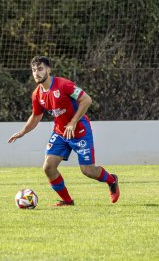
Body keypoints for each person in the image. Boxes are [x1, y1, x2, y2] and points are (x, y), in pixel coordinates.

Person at [8, 56, 120, 206]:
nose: (36, 73)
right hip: (60, 133)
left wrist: (73, 123)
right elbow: (36, 116)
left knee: (88, 170)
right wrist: (22, 132)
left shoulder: (63, 85)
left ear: (48, 69)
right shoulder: (37, 94)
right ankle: (67, 201)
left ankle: (112, 180)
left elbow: (86, 100)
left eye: (40, 69)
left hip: (80, 131)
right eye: (34, 70)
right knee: (48, 167)